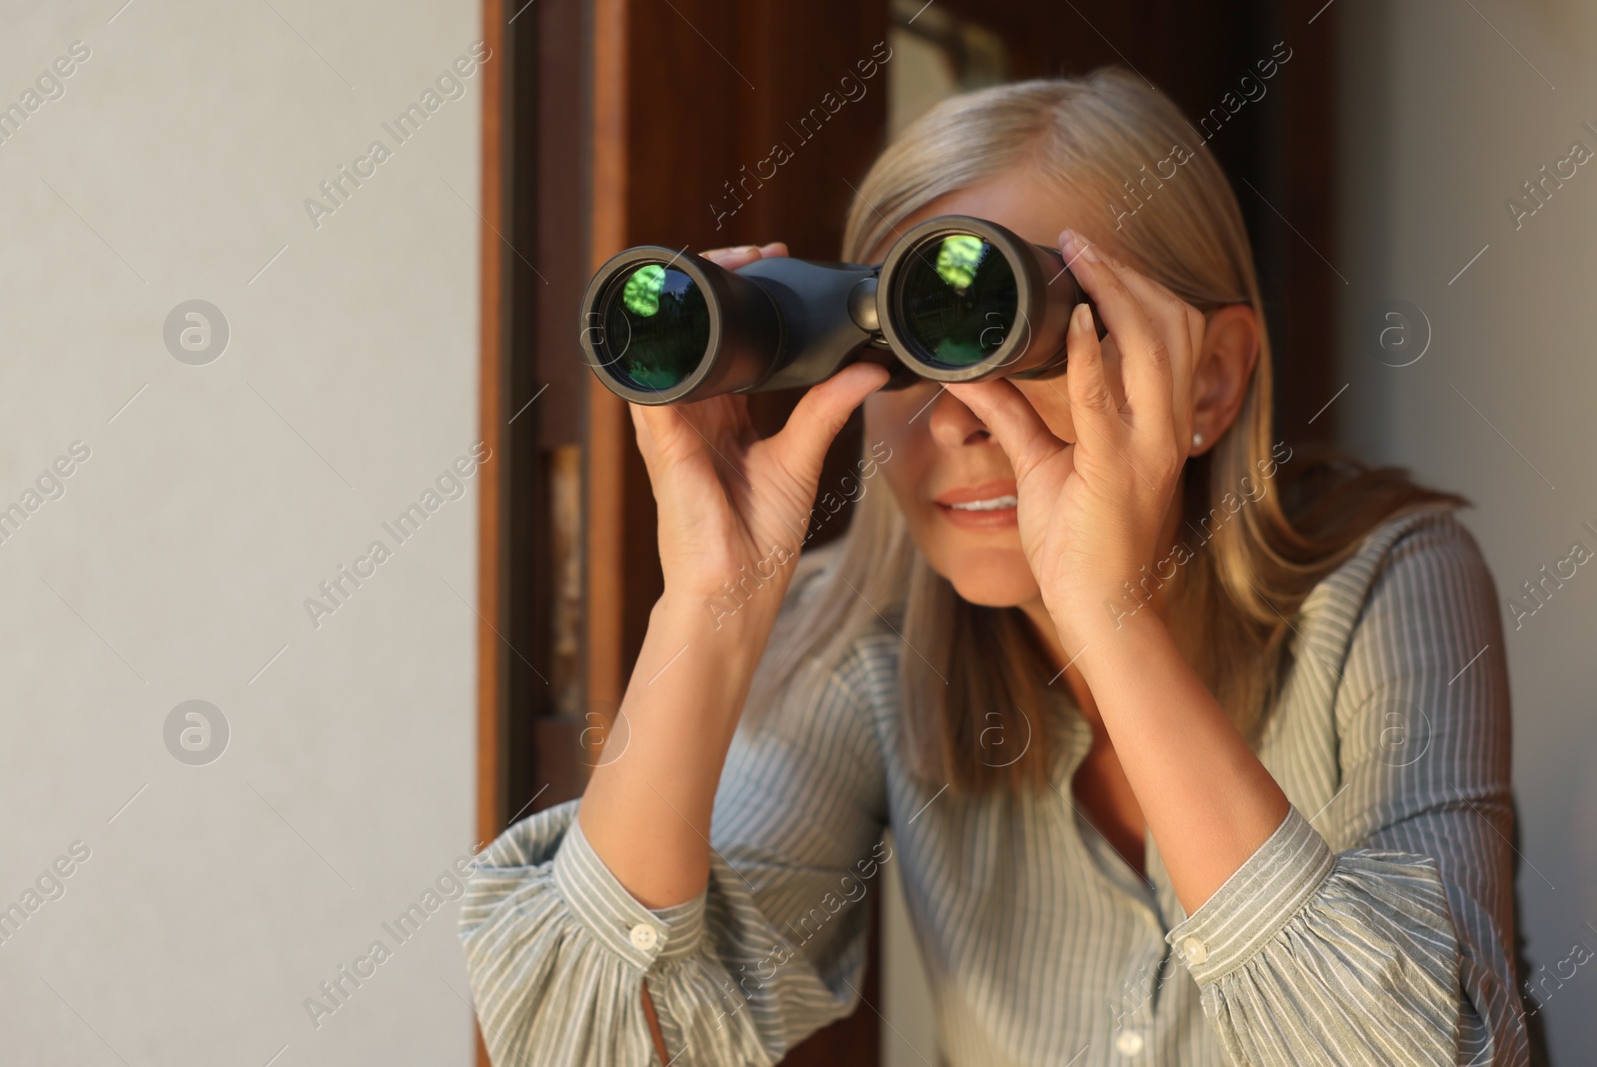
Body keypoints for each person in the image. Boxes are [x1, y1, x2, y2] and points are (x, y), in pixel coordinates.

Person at [459, 68, 1529, 1066]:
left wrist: (1108, 616)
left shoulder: (1387, 582)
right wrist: (708, 603)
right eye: (904, 352)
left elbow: (1452, 1047)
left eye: (1001, 337)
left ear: (1207, 380)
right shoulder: (869, 633)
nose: (956, 422)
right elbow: (588, 1041)